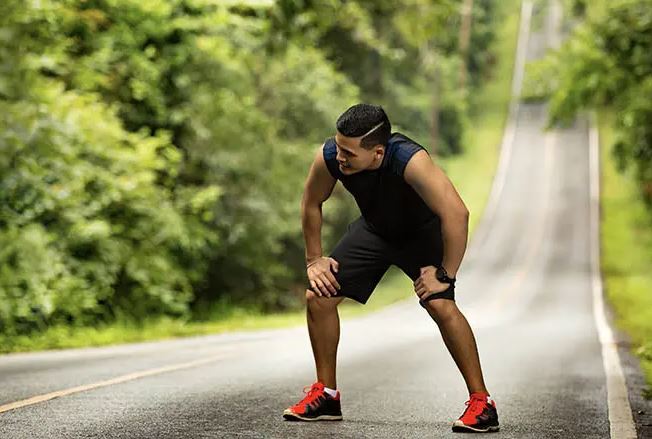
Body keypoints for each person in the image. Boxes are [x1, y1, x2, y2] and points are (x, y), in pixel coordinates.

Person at [282, 104, 499, 433]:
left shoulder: (410, 161)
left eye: (348, 153)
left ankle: (482, 403)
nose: (339, 157)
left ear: (378, 152)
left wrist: (445, 275)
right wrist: (314, 260)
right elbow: (311, 201)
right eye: (338, 147)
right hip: (374, 231)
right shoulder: (330, 157)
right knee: (319, 296)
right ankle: (326, 394)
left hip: (421, 236)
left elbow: (457, 214)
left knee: (440, 304)